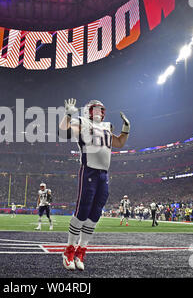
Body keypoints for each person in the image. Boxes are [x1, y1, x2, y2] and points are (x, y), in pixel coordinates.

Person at [59, 98, 130, 271]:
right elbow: (63, 131)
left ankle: (81, 251)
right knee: (82, 211)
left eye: (101, 109)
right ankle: (68, 250)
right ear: (88, 110)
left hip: (104, 174)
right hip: (89, 170)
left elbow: (119, 143)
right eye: (96, 109)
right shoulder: (82, 123)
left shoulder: (107, 127)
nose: (99, 112)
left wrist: (126, 128)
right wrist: (68, 114)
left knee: (95, 214)